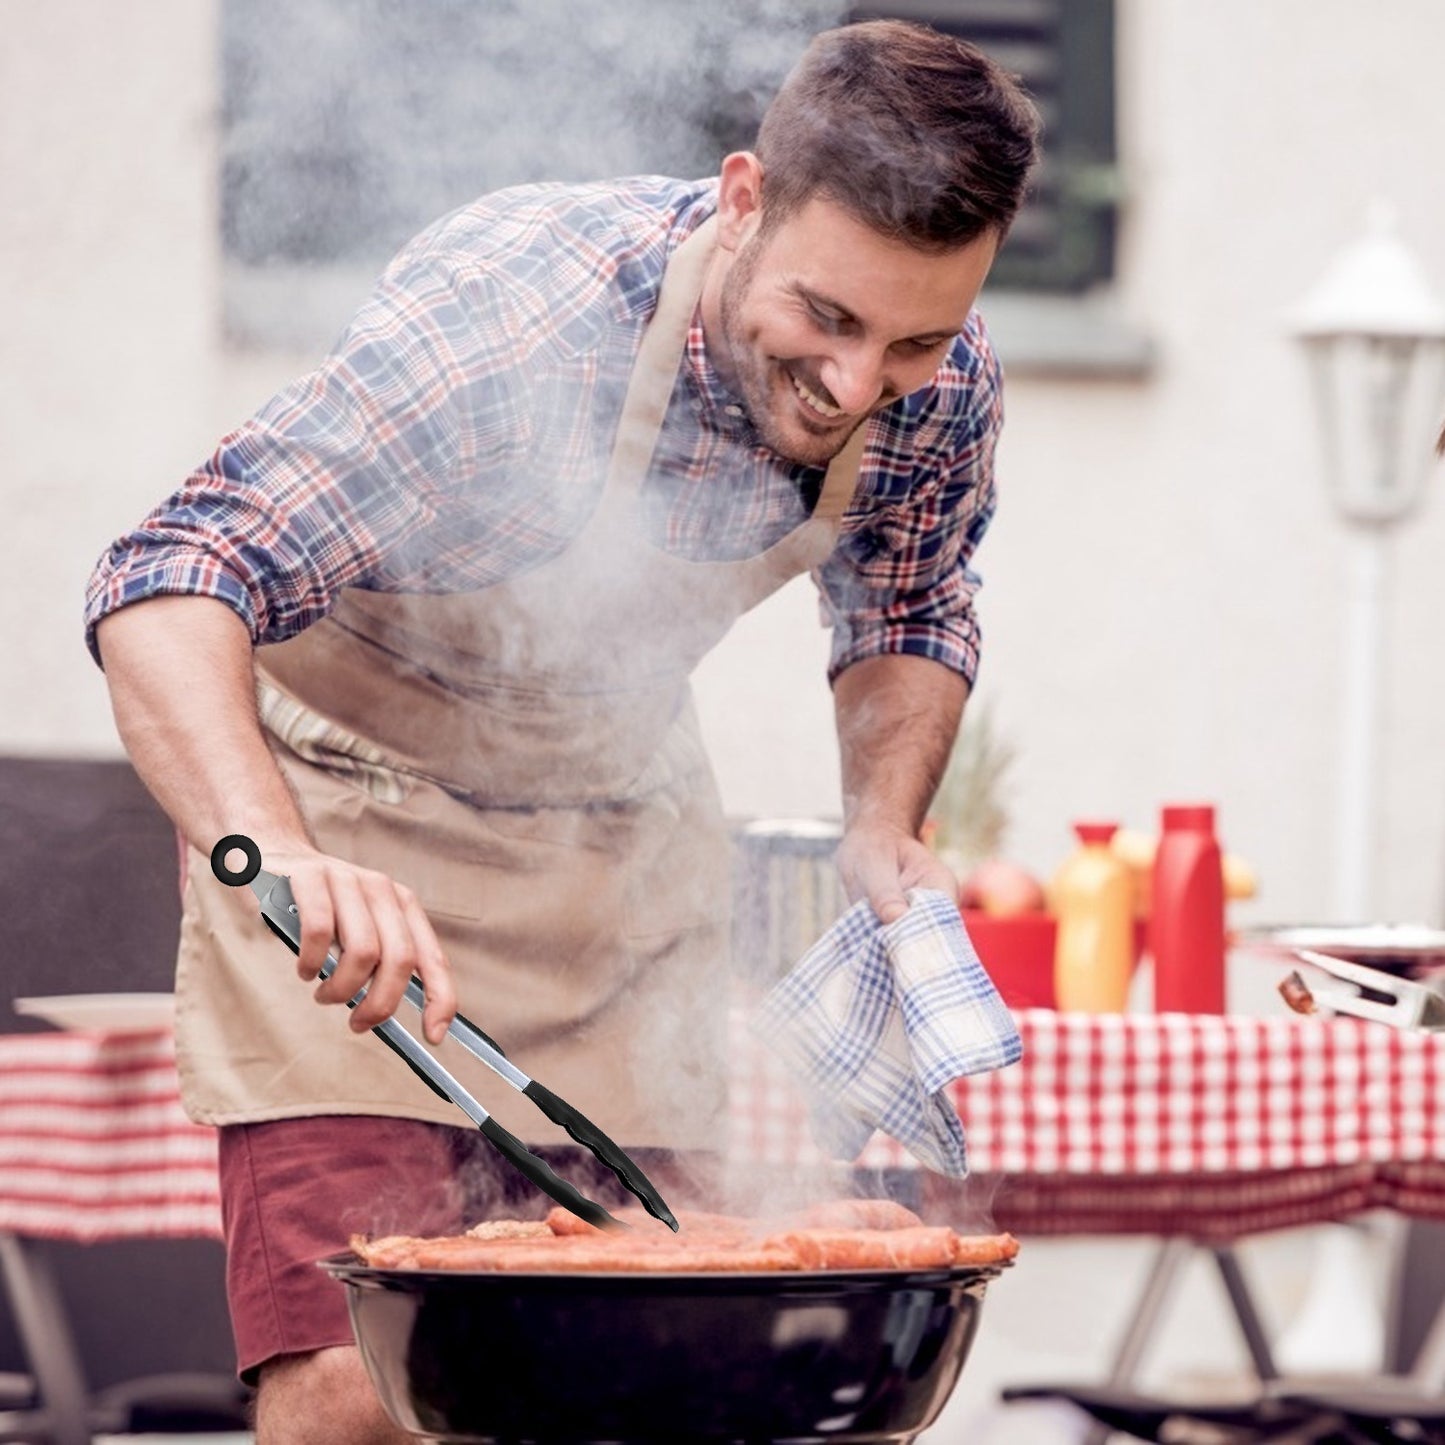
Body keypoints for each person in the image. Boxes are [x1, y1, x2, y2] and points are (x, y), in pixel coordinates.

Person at [85, 18, 1039, 1444]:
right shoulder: (512, 325)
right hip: (348, 832)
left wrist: (882, 822)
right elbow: (163, 579)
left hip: (617, 857)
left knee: (654, 1363)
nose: (855, 385)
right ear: (740, 200)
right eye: (827, 321)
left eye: (910, 336)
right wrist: (273, 850)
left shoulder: (938, 386)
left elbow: (906, 607)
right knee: (361, 1385)